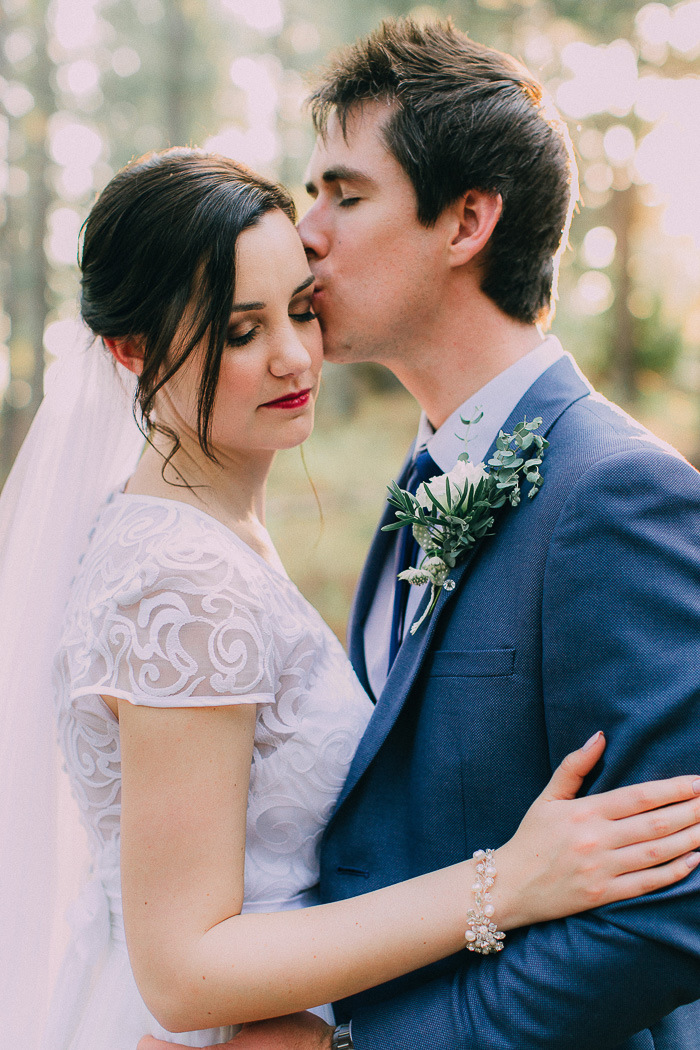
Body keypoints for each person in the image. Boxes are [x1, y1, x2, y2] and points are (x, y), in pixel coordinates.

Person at [0, 150, 699, 1050]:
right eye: (240, 331)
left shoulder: (207, 528)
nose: (293, 357)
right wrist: (508, 881)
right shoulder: (180, 578)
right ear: (131, 351)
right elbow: (184, 972)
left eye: (300, 309)